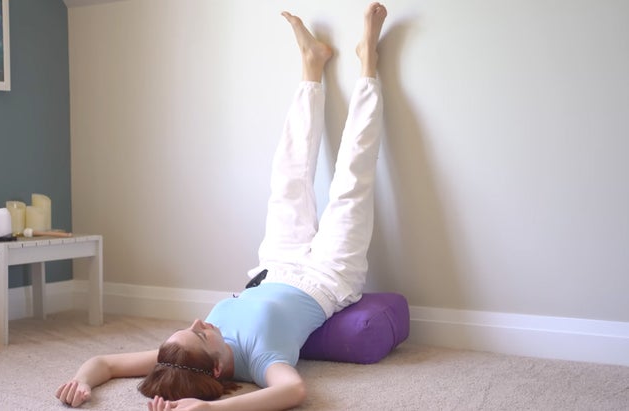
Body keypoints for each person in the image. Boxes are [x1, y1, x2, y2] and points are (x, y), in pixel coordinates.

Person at [56, 3, 388, 410]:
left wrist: (81, 382)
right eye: (199, 334)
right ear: (217, 370)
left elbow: (105, 363)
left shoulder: (179, 357)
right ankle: (368, 62)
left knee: (288, 172)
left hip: (276, 265)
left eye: (188, 328)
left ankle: (311, 67)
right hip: (328, 277)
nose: (197, 322)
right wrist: (210, 409)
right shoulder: (259, 359)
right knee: (353, 178)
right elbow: (293, 391)